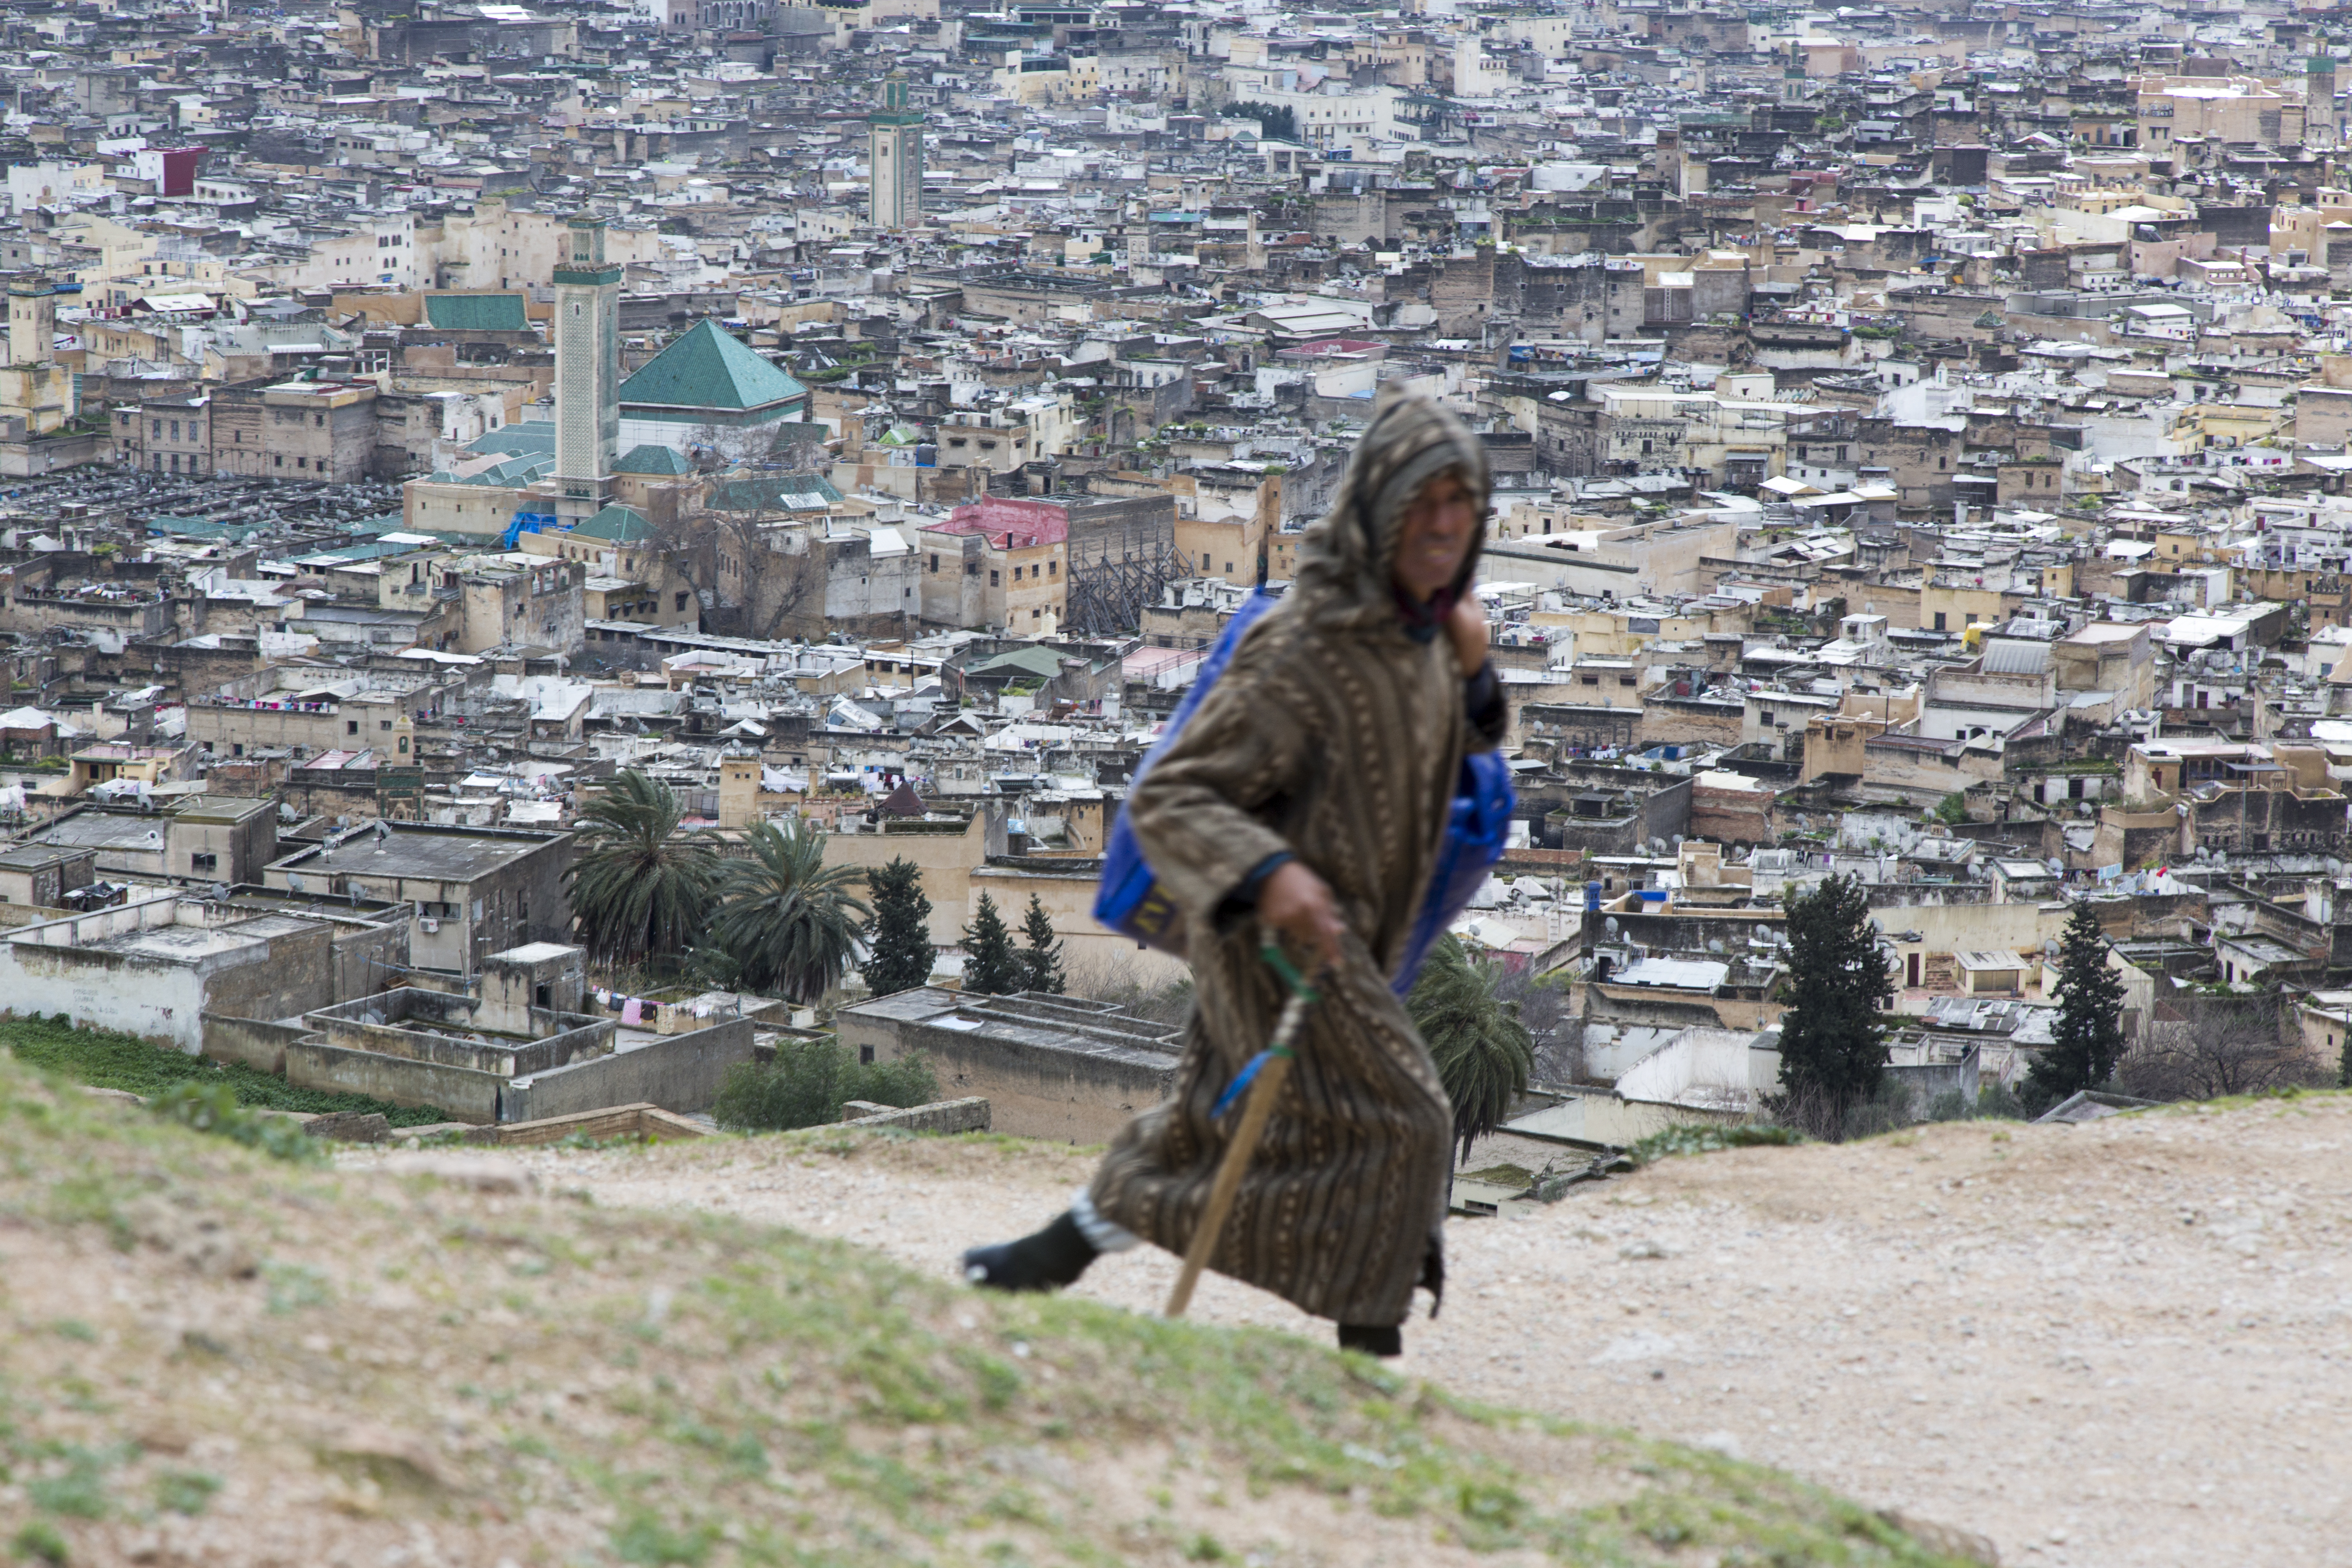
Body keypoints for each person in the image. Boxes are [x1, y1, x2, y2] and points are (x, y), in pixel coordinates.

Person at [960, 394, 1508, 1357]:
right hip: (1273, 943)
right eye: (1426, 499)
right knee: (1409, 1123)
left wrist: (1474, 678)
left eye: (1464, 501)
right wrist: (1274, 873)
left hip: (1350, 937)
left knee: (1204, 1128)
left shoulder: (1424, 641)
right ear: (1380, 509)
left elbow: (1464, 751)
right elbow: (1174, 797)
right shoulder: (1304, 645)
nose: (1446, 521)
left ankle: (1050, 1256)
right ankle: (1366, 1362)